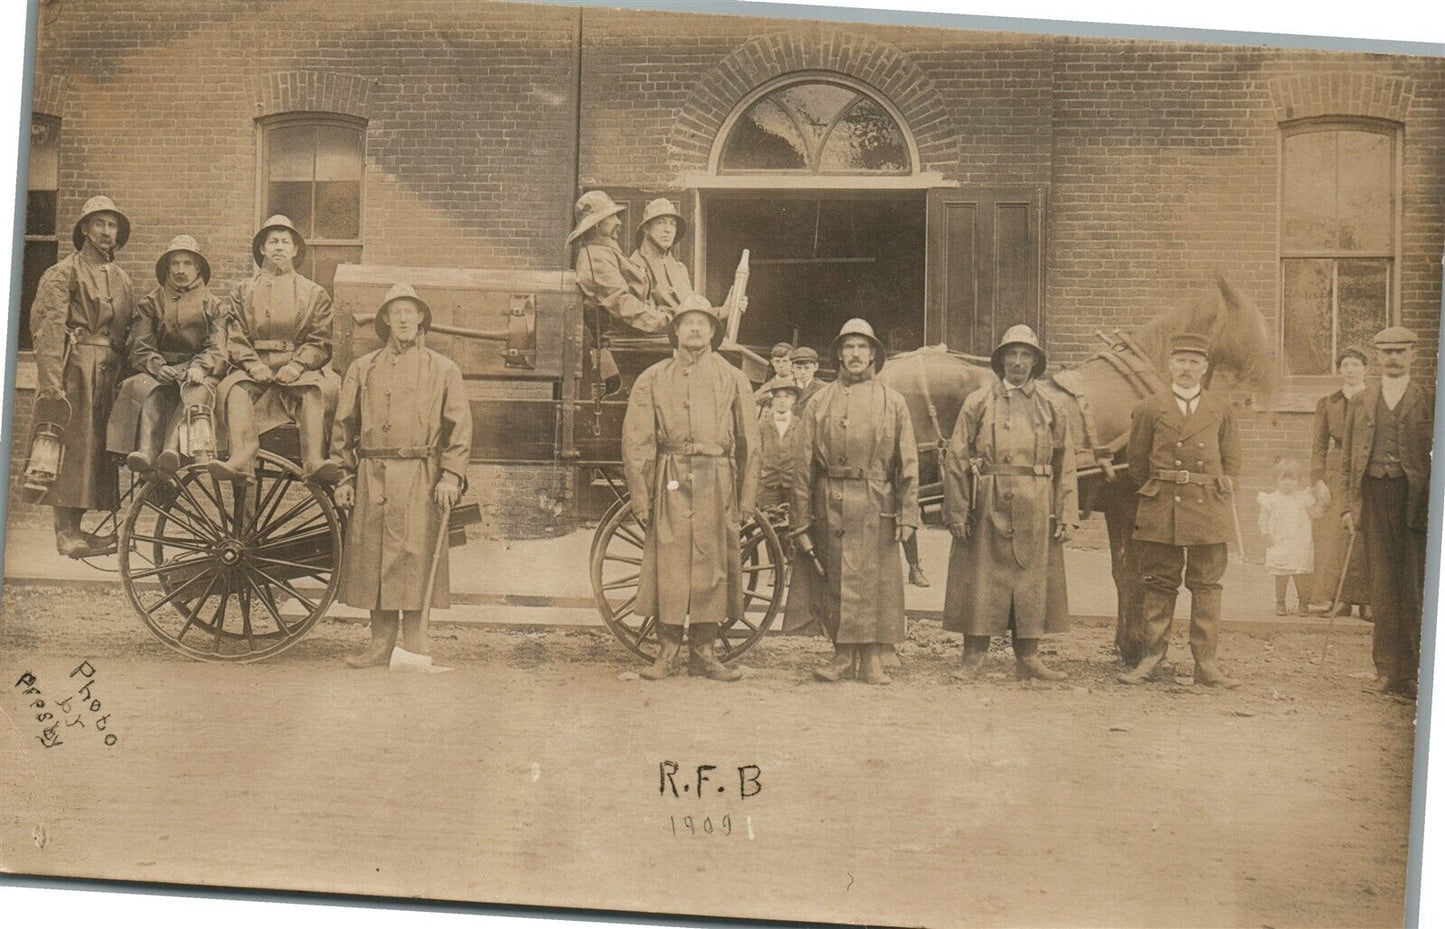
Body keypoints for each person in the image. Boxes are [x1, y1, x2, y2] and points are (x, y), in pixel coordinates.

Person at [331, 284, 472, 668]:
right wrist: (343, 479)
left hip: (420, 475)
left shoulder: (443, 369)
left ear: (422, 318)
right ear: (386, 321)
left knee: (414, 556)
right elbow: (343, 427)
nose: (405, 319)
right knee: (373, 556)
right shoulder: (364, 369)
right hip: (371, 474)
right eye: (397, 313)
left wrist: (451, 476)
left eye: (411, 312)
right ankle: (379, 644)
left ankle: (414, 645)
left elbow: (459, 428)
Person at [621, 295, 761, 682]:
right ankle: (666, 653)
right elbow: (638, 441)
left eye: (703, 323)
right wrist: (640, 493)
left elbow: (750, 441)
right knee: (669, 562)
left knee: (712, 564)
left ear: (714, 332)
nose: (695, 329)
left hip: (717, 479)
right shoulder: (653, 378)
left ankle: (704, 653)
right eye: (688, 323)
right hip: (671, 476)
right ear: (676, 331)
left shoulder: (733, 378)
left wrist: (747, 498)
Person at [941, 325, 1077, 682]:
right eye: (1011, 355)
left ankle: (1029, 656)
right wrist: (956, 511)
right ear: (1000, 361)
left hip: (1036, 499)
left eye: (1025, 355)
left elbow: (1066, 463)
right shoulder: (979, 401)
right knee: (982, 576)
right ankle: (973, 656)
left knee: (1032, 578)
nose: (1018, 362)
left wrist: (1067, 513)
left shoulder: (1052, 405)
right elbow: (956, 457)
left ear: (1035, 362)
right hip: (988, 498)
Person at [790, 318, 920, 685]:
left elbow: (907, 462)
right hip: (831, 500)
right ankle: (842, 656)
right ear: (839, 355)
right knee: (837, 580)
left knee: (876, 581)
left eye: (863, 347)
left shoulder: (892, 401)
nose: (855, 354)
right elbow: (802, 466)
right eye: (848, 347)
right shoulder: (820, 401)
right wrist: (800, 520)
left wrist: (908, 515)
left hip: (877, 501)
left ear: (874, 354)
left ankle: (873, 658)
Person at [1118, 332, 1242, 689]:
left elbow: (1232, 461)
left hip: (1207, 506)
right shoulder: (1149, 408)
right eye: (1180, 361)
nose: (1187, 369)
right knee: (1158, 583)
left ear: (1204, 368)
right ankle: (1151, 660)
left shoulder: (1221, 408)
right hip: (1163, 505)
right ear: (1170, 366)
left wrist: (1214, 485)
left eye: (1194, 362)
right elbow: (1137, 464)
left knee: (1207, 585)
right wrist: (1164, 487)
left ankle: (1207, 665)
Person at [25, 195, 135, 557]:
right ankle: (65, 533)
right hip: (74, 368)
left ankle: (82, 531)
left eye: (112, 225)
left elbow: (129, 331)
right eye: (99, 224)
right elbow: (48, 326)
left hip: (109, 370)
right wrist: (51, 380)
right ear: (85, 229)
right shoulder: (62, 273)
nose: (106, 232)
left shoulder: (122, 280)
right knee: (69, 446)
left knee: (99, 450)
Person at [209, 215, 339, 484]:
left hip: (297, 369)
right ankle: (241, 457)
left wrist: (297, 365)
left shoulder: (314, 293)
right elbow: (234, 334)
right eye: (273, 242)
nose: (279, 247)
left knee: (315, 391)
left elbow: (320, 339)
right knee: (233, 390)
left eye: (285, 242)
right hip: (254, 367)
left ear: (294, 249)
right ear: (262, 248)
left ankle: (314, 460)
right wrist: (251, 363)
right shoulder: (243, 291)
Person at [1342, 326, 1433, 698]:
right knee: (1381, 587)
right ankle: (1385, 670)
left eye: (1401, 351)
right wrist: (1348, 507)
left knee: (1410, 588)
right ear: (1377, 357)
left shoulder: (1429, 398)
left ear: (1413, 356)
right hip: (1374, 494)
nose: (1394, 357)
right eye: (1387, 352)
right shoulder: (1361, 400)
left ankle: (1409, 674)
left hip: (1415, 500)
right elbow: (1349, 458)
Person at [106, 235, 227, 476]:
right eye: (175, 263)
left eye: (188, 263)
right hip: (161, 371)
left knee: (196, 392)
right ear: (167, 267)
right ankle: (146, 452)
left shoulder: (213, 305)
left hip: (195, 372)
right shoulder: (150, 303)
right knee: (141, 387)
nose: (181, 270)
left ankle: (171, 450)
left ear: (198, 267)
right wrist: (157, 366)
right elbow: (140, 344)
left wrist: (200, 367)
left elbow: (219, 347)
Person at [1310, 347, 1371, 617]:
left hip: (1367, 467)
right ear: (1339, 370)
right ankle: (1338, 598)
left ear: (1365, 369)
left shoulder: (1374, 400)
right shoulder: (1328, 403)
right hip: (1336, 471)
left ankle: (1367, 600)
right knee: (1336, 535)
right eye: (1345, 364)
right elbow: (1319, 445)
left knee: (1365, 533)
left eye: (1356, 364)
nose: (1350, 369)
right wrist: (1319, 480)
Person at [1258, 459, 1326, 616]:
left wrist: (1321, 505)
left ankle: (1303, 603)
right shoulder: (1271, 500)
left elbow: (1315, 514)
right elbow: (1263, 519)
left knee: (1301, 575)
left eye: (1292, 479)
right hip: (1280, 543)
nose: (1288, 483)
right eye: (1283, 479)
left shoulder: (1303, 498)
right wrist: (1266, 534)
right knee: (1281, 575)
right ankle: (1280, 602)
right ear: (1276, 480)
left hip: (1299, 543)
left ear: (1299, 481)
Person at [756, 375, 806, 509]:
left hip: (792, 485)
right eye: (778, 397)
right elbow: (755, 454)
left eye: (787, 396)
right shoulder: (762, 426)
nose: (782, 400)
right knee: (766, 523)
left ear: (794, 400)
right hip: (767, 485)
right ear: (771, 400)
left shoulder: (801, 426)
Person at [757, 343, 796, 414]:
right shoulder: (766, 387)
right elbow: (753, 400)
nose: (781, 365)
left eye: (785, 361)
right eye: (777, 361)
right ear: (772, 362)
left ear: (792, 362)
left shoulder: (800, 384)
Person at [789, 346, 825, 411]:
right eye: (798, 368)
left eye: (807, 368)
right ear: (792, 368)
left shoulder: (824, 389)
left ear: (816, 367)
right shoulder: (786, 386)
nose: (803, 372)